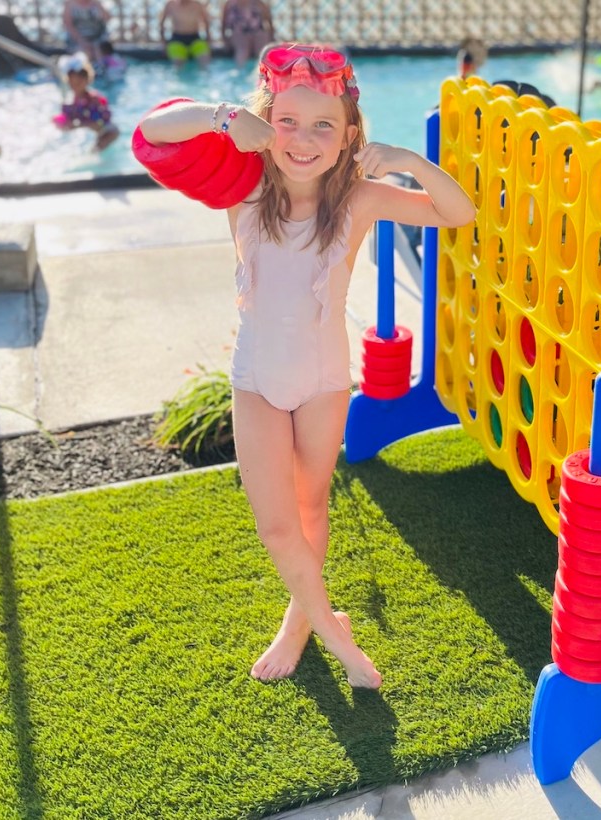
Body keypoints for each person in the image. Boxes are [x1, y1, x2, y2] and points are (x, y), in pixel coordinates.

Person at [136, 43, 475, 687]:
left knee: (312, 508)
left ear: (350, 136)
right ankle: (334, 637)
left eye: (324, 125)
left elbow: (461, 214)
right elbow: (150, 135)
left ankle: (299, 622)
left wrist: (407, 162)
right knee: (274, 521)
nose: (303, 139)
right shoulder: (241, 183)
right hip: (256, 381)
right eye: (287, 121)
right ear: (265, 123)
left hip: (323, 382)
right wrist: (219, 117)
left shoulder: (364, 197)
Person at [53, 52, 119, 151]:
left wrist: (78, 125)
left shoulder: (95, 99)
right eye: (72, 83)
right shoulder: (68, 103)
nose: (76, 86)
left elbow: (100, 124)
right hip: (86, 136)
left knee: (96, 150)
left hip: (106, 133)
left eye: (79, 82)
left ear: (87, 80)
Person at [159, 0, 212, 67]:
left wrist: (208, 40)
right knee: (178, 64)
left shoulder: (197, 5)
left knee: (205, 62)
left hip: (195, 37)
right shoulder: (170, 5)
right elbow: (162, 23)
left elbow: (206, 22)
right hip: (177, 39)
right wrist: (163, 42)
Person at [221, 0, 274, 68]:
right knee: (242, 50)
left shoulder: (259, 3)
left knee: (262, 49)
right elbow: (223, 25)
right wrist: (225, 41)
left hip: (258, 33)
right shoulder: (229, 4)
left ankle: (263, 70)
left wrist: (271, 38)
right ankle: (240, 70)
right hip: (239, 35)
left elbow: (269, 22)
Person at [63, 0, 110, 65]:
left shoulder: (96, 3)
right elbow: (68, 25)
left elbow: (106, 18)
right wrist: (82, 41)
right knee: (85, 53)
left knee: (98, 51)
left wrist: (98, 6)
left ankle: (100, 69)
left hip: (97, 37)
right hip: (77, 38)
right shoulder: (70, 4)